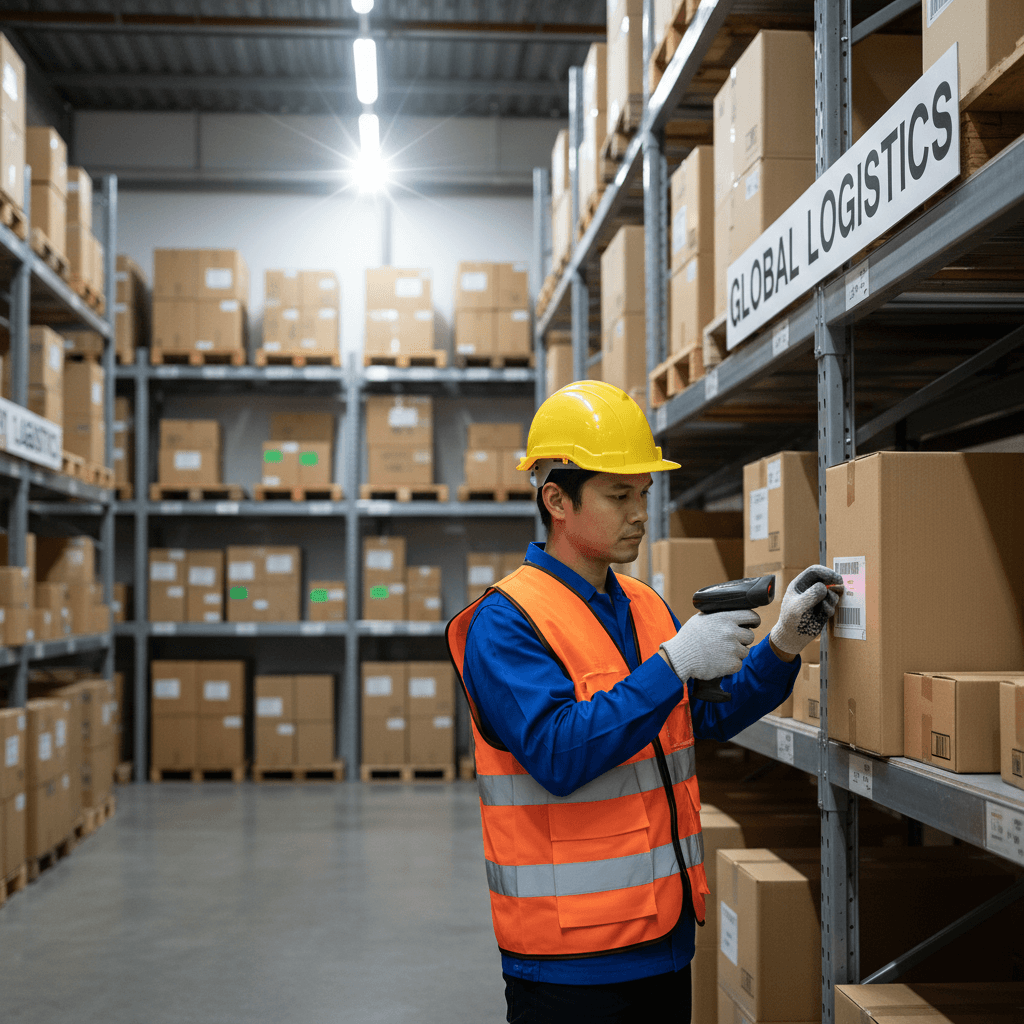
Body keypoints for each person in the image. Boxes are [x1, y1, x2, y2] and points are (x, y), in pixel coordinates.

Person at [446, 381, 843, 1024]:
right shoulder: (506, 621)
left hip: (664, 939)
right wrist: (674, 664)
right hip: (569, 960)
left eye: (644, 495)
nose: (639, 513)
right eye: (618, 495)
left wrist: (781, 645)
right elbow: (557, 752)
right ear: (557, 500)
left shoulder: (644, 605)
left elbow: (702, 717)